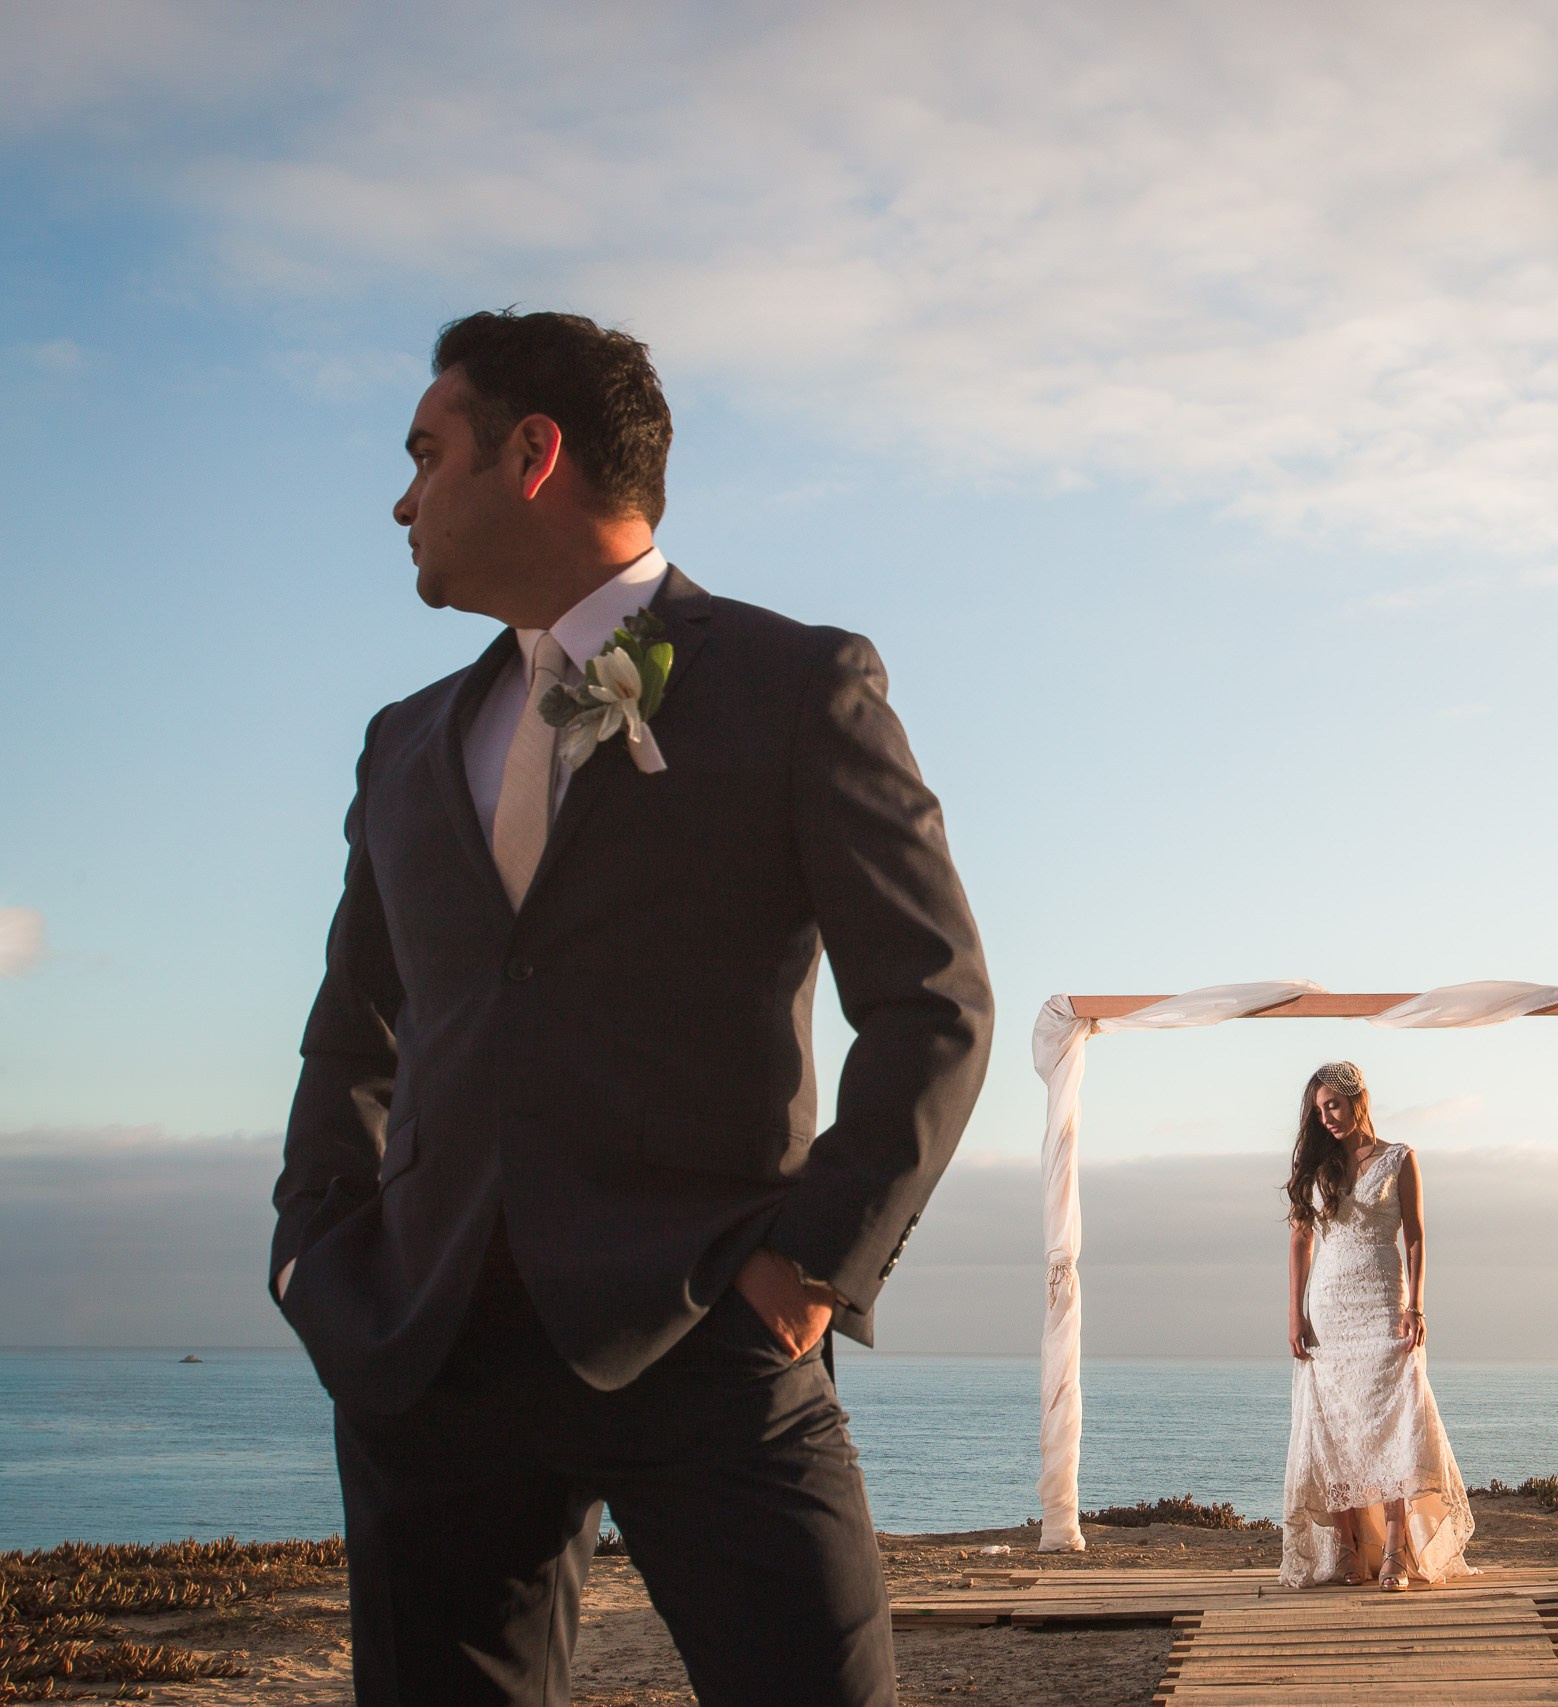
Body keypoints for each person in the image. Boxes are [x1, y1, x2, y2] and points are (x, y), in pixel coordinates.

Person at [268, 309, 992, 1706]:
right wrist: (317, 1253)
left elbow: (932, 997)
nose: (403, 497)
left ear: (533, 453)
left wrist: (811, 1268)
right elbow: (355, 1028)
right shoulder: (405, 739)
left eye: (429, 452)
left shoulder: (797, 684)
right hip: (427, 1355)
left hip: (708, 1327)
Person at [1278, 1061, 1474, 1589]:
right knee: (1335, 1426)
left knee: (1390, 1423)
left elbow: (1414, 1234)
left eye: (1333, 1106)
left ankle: (1394, 1550)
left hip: (1385, 1302)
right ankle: (1344, 1550)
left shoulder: (1399, 1157)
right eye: (1319, 1112)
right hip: (1329, 1306)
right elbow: (1301, 1239)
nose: (1327, 1119)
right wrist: (1294, 1311)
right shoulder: (1320, 1166)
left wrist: (1417, 1305)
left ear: (1358, 1098)